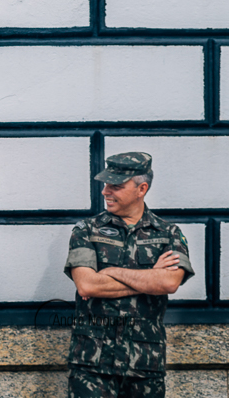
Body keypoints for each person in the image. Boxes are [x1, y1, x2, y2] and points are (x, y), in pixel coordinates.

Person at [64, 152, 195, 397]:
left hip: (145, 364)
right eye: (105, 184)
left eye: (116, 186)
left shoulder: (168, 234)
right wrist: (150, 277)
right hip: (92, 364)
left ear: (141, 188)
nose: (105, 191)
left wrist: (111, 273)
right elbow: (88, 286)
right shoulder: (86, 230)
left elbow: (169, 282)